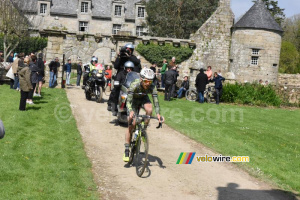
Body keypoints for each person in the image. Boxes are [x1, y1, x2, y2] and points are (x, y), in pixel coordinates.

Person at [123, 68, 163, 162]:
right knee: (131, 124)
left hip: (143, 98)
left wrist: (158, 114)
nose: (148, 83)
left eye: (150, 81)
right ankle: (126, 149)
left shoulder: (152, 86)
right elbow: (128, 101)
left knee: (149, 109)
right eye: (145, 81)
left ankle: (143, 130)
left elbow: (156, 102)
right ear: (141, 79)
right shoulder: (134, 85)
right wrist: (131, 111)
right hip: (133, 101)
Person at [108, 44, 140, 110]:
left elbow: (137, 62)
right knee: (115, 90)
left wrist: (129, 56)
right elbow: (116, 66)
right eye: (127, 49)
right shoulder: (121, 57)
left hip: (130, 76)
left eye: (129, 50)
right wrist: (119, 57)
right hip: (121, 75)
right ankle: (111, 103)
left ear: (132, 50)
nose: (128, 51)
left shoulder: (133, 57)